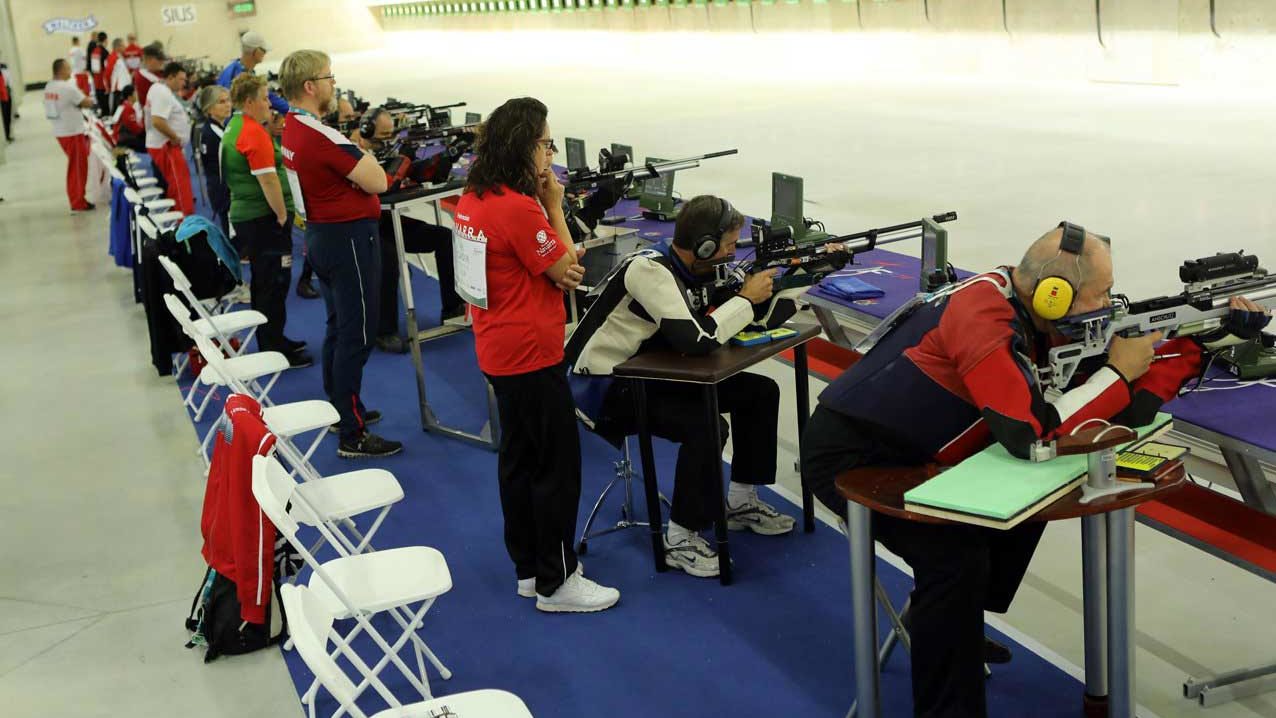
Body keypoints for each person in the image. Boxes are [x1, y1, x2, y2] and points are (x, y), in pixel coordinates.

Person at [800, 224, 1271, 718]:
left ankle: (948, 622)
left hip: (925, 454)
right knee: (955, 560)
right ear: (1053, 293)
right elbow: (1035, 437)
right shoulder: (980, 313)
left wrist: (1201, 340)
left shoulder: (1034, 317)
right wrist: (1116, 371)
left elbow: (1115, 411)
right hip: (856, 457)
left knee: (1025, 510)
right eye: (1102, 292)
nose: (1109, 304)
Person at [565, 194, 796, 577]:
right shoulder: (649, 270)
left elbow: (744, 321)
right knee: (705, 425)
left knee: (759, 392)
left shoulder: (690, 267)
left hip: (649, 375)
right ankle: (680, 537)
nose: (728, 254)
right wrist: (743, 298)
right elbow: (698, 340)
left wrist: (793, 280)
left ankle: (739, 501)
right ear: (703, 245)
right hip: (603, 391)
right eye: (724, 247)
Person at [454, 97, 619, 613]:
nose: (550, 154)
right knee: (556, 467)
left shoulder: (477, 196)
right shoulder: (519, 207)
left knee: (520, 462)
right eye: (546, 144)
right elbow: (570, 269)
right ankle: (557, 580)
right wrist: (553, 207)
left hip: (499, 348)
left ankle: (530, 567)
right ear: (524, 146)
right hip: (530, 352)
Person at [279, 49, 401, 458]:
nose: (334, 84)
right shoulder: (320, 135)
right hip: (347, 240)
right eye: (329, 78)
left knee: (338, 326)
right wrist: (361, 155)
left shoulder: (295, 128)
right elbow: (379, 180)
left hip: (323, 237)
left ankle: (341, 409)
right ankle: (352, 430)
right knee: (358, 332)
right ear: (311, 86)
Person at [351, 107, 466, 353]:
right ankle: (385, 331)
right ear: (366, 131)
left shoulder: (390, 153)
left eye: (390, 135)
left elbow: (426, 173)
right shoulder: (355, 153)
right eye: (383, 135)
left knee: (444, 238)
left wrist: (454, 150)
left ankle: (453, 308)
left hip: (387, 222)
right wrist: (403, 157)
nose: (387, 141)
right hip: (364, 227)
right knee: (389, 259)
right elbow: (384, 184)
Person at [223, 73, 312, 369]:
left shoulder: (236, 126)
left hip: (252, 218)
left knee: (266, 283)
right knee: (274, 283)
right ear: (249, 101)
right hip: (264, 219)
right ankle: (274, 348)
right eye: (263, 98)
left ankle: (273, 339)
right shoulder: (251, 132)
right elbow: (269, 180)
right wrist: (283, 215)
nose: (268, 104)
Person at [45, 59, 95, 212]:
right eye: (68, 68)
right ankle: (77, 201)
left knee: (75, 166)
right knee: (78, 168)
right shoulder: (67, 88)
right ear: (60, 70)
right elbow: (86, 102)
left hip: (60, 130)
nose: (70, 70)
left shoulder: (49, 86)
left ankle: (78, 198)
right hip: (72, 132)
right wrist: (92, 100)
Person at [145, 61, 195, 215]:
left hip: (164, 144)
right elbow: (157, 121)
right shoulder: (162, 92)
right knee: (180, 186)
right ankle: (185, 222)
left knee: (177, 184)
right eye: (182, 79)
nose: (184, 83)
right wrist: (175, 137)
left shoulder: (159, 89)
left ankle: (180, 217)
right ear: (171, 77)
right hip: (165, 145)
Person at [217, 31, 289, 116]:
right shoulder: (234, 75)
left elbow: (267, 96)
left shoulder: (247, 72)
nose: (265, 54)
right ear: (256, 51)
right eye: (264, 50)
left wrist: (291, 109)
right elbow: (226, 109)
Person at [195, 85, 232, 233]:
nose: (228, 105)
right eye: (221, 102)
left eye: (228, 100)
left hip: (220, 191)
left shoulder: (215, 129)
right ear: (209, 109)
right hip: (224, 194)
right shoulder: (212, 134)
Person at [111, 85, 144, 152]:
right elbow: (135, 129)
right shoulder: (128, 108)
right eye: (135, 93)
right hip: (123, 139)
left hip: (119, 137)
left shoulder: (123, 105)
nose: (137, 94)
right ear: (130, 97)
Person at [87, 31, 111, 113]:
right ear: (105, 40)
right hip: (103, 83)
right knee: (106, 105)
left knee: (100, 101)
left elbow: (92, 68)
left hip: (96, 82)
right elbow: (107, 69)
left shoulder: (94, 51)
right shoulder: (105, 52)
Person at [105, 38, 131, 112]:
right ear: (118, 47)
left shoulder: (120, 56)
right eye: (123, 45)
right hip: (118, 90)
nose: (125, 47)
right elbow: (108, 73)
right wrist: (110, 87)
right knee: (118, 111)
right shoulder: (113, 57)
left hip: (122, 88)